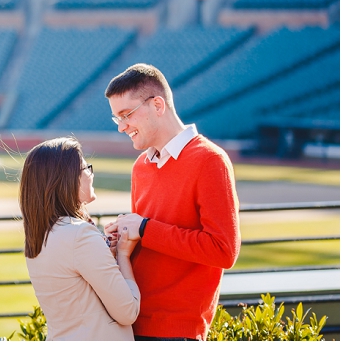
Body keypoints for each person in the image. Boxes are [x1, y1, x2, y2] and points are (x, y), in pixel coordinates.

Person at [103, 64, 240, 341]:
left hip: (177, 331)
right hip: (131, 321)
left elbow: (224, 250)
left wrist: (144, 228)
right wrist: (125, 237)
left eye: (126, 115)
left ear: (157, 105)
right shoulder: (141, 166)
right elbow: (153, 239)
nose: (121, 127)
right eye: (115, 118)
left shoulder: (210, 161)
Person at [20, 137, 141, 341]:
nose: (90, 175)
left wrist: (104, 253)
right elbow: (127, 311)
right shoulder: (79, 235)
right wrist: (123, 253)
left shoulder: (42, 234)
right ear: (67, 179)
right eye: (86, 168)